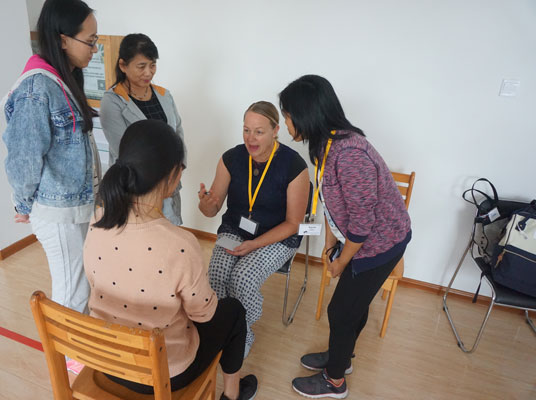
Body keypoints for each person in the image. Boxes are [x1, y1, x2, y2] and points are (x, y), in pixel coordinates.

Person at [83, 120, 257, 400]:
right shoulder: (180, 244)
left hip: (108, 359)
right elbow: (204, 313)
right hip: (164, 372)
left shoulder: (98, 219)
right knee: (233, 310)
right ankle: (233, 396)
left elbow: (96, 282)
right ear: (171, 176)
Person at [280, 75, 412, 399]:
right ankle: (341, 357)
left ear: (307, 115)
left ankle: (334, 381)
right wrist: (329, 244)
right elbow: (329, 200)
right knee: (353, 306)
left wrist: (341, 262)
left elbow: (364, 224)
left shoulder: (350, 154)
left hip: (380, 244)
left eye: (287, 115)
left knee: (340, 310)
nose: (285, 122)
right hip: (358, 238)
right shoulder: (325, 145)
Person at [2, 0, 101, 313]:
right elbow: (23, 156)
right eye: (90, 41)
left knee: (83, 284)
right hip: (57, 212)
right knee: (72, 293)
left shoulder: (62, 79)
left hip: (74, 206)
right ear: (62, 39)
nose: (94, 49)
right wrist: (24, 204)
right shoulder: (36, 87)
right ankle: (70, 362)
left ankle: (80, 356)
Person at [198, 101, 309, 357]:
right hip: (236, 229)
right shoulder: (231, 158)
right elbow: (211, 210)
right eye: (246, 130)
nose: (251, 138)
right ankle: (222, 327)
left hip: (278, 237)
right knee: (216, 275)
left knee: (242, 279)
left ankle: (242, 333)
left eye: (259, 131)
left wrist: (254, 245)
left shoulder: (294, 166)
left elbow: (293, 224)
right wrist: (205, 205)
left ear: (275, 130)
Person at [99, 33, 185, 225]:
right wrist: (158, 183)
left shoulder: (164, 95)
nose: (148, 72)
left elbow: (178, 133)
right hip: (137, 190)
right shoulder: (112, 101)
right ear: (123, 65)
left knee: (170, 240)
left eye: (152, 65)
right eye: (141, 66)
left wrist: (178, 170)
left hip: (169, 185)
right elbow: (125, 149)